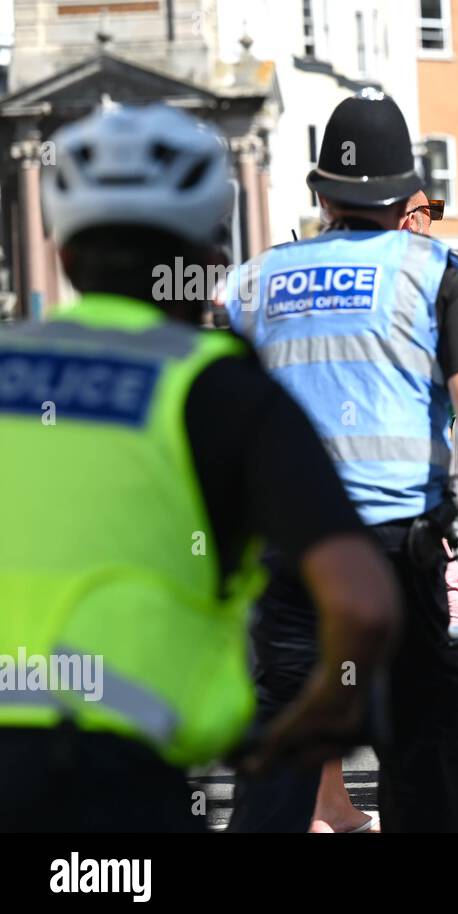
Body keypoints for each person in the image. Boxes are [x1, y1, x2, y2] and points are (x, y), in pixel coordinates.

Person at [0, 103, 399, 832]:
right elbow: (362, 601)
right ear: (210, 257)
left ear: (60, 253)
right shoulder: (219, 385)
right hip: (114, 786)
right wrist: (307, 726)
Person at [223, 92, 458, 833]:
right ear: (408, 196)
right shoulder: (432, 273)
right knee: (421, 758)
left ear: (321, 193)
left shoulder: (251, 284)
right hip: (399, 556)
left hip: (293, 561)